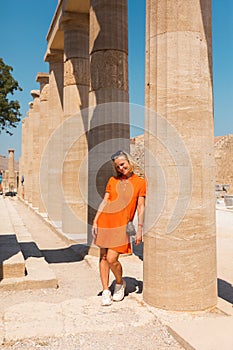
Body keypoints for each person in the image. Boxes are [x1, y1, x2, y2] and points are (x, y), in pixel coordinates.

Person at [92, 150, 146, 306]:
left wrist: (140, 229)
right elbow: (105, 201)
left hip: (121, 224)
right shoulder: (112, 180)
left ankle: (120, 283)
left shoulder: (140, 183)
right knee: (102, 256)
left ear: (129, 162)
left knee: (112, 258)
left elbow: (141, 207)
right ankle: (105, 290)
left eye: (123, 165)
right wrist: (95, 221)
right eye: (118, 167)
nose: (121, 168)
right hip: (105, 221)